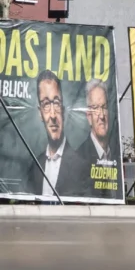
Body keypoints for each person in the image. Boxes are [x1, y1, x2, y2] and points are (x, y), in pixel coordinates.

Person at [27, 70, 88, 198]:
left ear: (63, 110)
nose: (53, 115)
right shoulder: (34, 168)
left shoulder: (82, 166)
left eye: (56, 103)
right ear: (40, 113)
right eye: (46, 104)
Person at [77, 79, 120, 199]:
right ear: (88, 117)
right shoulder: (79, 158)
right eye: (95, 108)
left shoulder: (117, 155)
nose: (101, 115)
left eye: (104, 107)